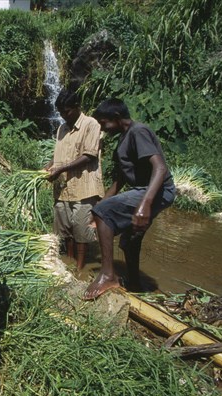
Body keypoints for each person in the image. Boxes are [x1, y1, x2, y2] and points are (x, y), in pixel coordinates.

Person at [83, 98, 175, 300]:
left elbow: (160, 168)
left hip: (157, 189)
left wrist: (144, 205)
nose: (103, 129)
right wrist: (100, 205)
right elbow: (120, 179)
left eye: (104, 123)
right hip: (145, 190)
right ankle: (135, 282)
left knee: (103, 212)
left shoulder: (137, 131)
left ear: (116, 118)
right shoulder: (124, 138)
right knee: (128, 240)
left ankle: (108, 274)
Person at [44, 89, 104, 271]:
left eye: (67, 111)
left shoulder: (91, 125)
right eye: (61, 113)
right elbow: (59, 154)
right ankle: (69, 261)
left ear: (77, 107)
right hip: (63, 188)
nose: (63, 116)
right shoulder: (62, 128)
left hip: (83, 187)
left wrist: (61, 168)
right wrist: (49, 165)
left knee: (81, 230)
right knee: (66, 230)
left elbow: (90, 156)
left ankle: (79, 268)